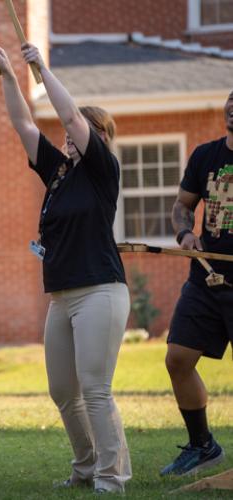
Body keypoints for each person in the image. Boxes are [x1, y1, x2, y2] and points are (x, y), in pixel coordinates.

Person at [0, 45, 131, 494]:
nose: (74, 135)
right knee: (62, 391)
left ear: (101, 137)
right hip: (62, 296)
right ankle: (86, 467)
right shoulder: (59, 175)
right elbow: (23, 124)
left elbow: (70, 118)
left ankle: (112, 477)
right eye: (76, 131)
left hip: (100, 291)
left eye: (88, 130)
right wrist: (10, 75)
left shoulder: (102, 171)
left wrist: (40, 69)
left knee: (95, 389)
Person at [160, 91, 233, 477]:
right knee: (178, 359)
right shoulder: (206, 156)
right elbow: (182, 206)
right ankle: (203, 446)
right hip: (207, 278)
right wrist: (186, 234)